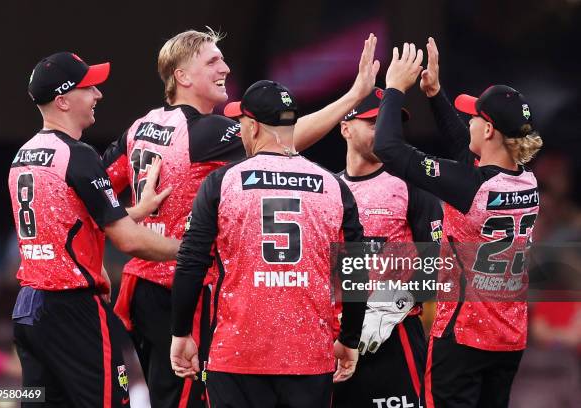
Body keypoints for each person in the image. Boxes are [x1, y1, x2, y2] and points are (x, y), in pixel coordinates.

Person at [103, 28, 380, 408]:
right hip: (183, 292)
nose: (225, 67)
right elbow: (283, 139)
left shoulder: (138, 127)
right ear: (182, 76)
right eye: (213, 61)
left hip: (139, 288)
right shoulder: (206, 130)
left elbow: (95, 192)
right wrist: (351, 97)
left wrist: (134, 215)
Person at [169, 80, 368, 408]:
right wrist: (350, 339)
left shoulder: (223, 182)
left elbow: (191, 261)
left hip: (236, 356)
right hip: (309, 357)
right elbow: (356, 270)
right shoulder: (334, 186)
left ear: (251, 126)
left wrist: (180, 332)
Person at [372, 39, 542, 408]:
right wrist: (435, 94)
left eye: (475, 117)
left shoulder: (471, 187)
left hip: (462, 338)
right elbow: (464, 155)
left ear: (489, 131)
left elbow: (387, 148)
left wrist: (396, 90)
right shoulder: (527, 180)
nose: (468, 120)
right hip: (507, 339)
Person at [10, 52, 180, 407]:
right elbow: (128, 240)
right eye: (89, 88)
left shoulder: (24, 154)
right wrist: (193, 246)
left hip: (29, 308)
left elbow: (68, 223)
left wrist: (135, 210)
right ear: (63, 100)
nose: (98, 95)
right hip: (72, 308)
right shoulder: (79, 155)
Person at [332, 88, 443, 407]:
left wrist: (394, 302)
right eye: (374, 122)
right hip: (336, 335)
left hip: (396, 334)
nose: (385, 131)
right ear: (346, 127)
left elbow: (439, 262)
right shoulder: (327, 188)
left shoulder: (412, 186)